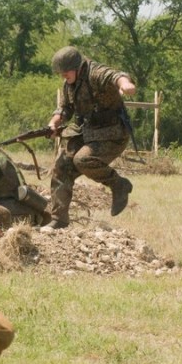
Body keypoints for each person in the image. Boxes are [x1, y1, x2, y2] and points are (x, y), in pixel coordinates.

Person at [46, 46, 136, 229]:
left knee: (83, 159)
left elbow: (114, 76)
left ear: (77, 67)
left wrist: (125, 85)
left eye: (65, 72)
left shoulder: (95, 73)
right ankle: (59, 219)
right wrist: (55, 121)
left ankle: (119, 185)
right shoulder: (69, 84)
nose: (63, 76)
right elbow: (65, 108)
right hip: (86, 132)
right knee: (61, 165)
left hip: (112, 133)